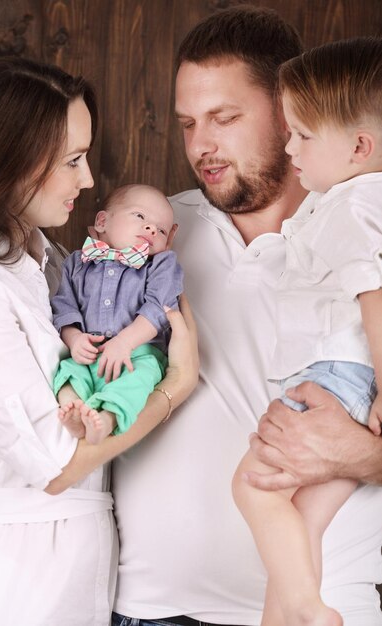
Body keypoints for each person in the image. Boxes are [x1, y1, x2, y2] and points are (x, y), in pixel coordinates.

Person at [111, 7, 382, 626]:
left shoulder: (358, 228)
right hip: (141, 610)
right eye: (187, 123)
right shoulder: (154, 234)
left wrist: (367, 457)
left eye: (225, 118)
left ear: (288, 109)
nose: (201, 145)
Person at [0, 56, 197, 626]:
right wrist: (174, 388)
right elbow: (54, 461)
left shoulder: (59, 268)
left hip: (89, 566)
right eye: (72, 160)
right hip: (19, 576)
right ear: (8, 162)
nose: (90, 179)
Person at [232, 36, 382, 626]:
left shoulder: (356, 204)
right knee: (302, 514)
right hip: (342, 374)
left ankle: (299, 608)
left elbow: (376, 297)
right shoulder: (344, 200)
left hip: (336, 373)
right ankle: (295, 613)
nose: (289, 146)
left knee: (255, 487)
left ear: (360, 146)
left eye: (302, 135)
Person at [51, 183, 183, 443]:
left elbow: (159, 307)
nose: (151, 229)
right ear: (103, 221)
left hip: (138, 354)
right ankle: (74, 409)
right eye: (140, 216)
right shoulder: (77, 262)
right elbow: (64, 305)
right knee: (66, 371)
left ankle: (107, 420)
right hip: (90, 353)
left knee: (139, 383)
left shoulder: (161, 264)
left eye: (161, 229)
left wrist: (125, 342)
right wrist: (74, 339)